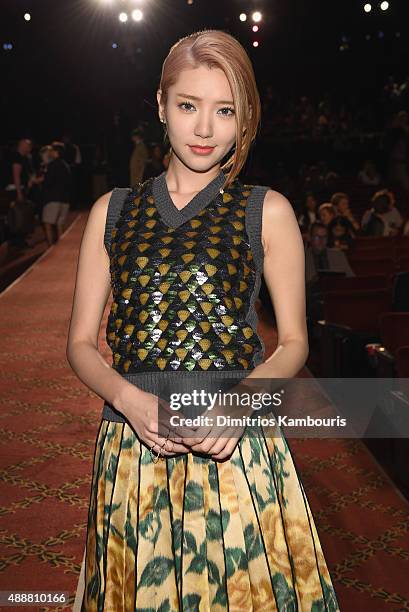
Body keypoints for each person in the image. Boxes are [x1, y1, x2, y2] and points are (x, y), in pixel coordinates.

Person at [67, 30, 339, 610]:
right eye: (189, 106)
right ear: (161, 106)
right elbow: (80, 344)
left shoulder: (265, 210)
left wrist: (239, 405)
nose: (204, 129)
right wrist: (128, 398)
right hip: (134, 443)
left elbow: (293, 343)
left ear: (245, 122)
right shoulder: (111, 211)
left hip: (236, 443)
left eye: (225, 111)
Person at [40, 142, 72, 246]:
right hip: (65, 199)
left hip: (53, 199)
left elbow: (48, 182)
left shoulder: (52, 164)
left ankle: (50, 247)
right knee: (60, 225)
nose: (50, 153)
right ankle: (61, 247)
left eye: (52, 150)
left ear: (56, 152)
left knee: (48, 224)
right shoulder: (66, 165)